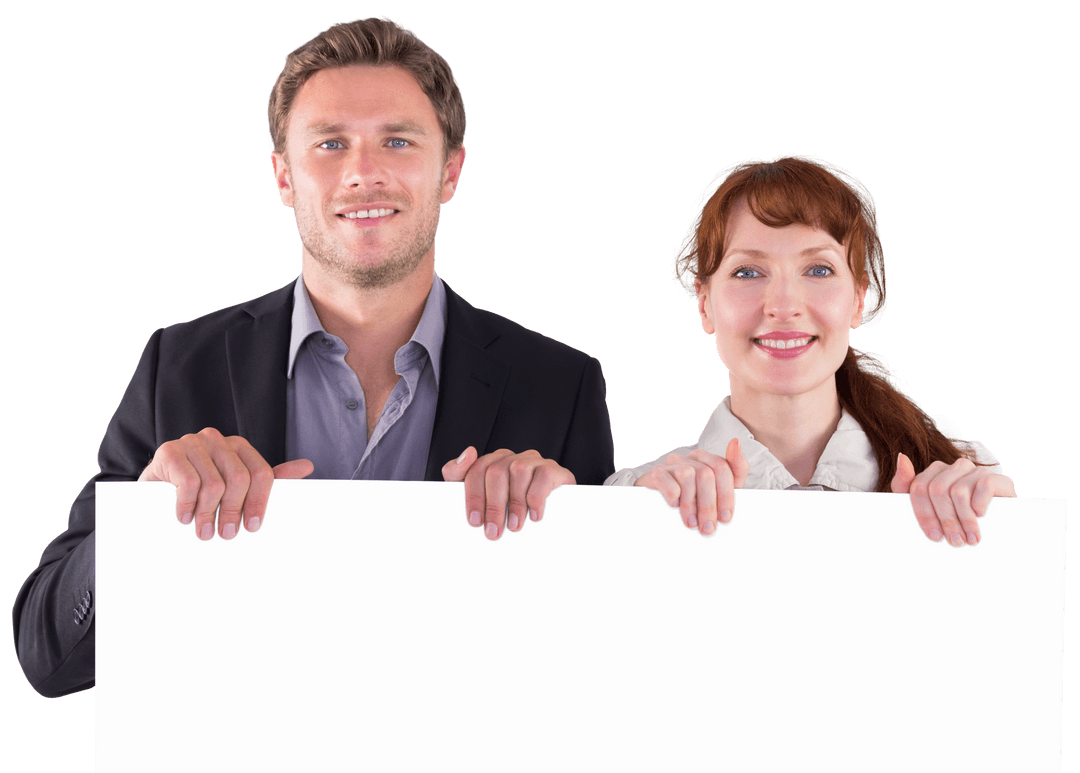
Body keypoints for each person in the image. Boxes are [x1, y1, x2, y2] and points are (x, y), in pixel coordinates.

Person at [13, 17, 614, 699]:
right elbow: (47, 656)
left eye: (398, 140)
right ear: (284, 177)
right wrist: (144, 524)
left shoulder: (560, 385)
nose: (364, 172)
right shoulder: (179, 365)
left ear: (450, 170)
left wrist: (578, 544)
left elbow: (612, 672)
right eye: (330, 144)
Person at [606, 153, 1015, 541]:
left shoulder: (962, 477)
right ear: (705, 305)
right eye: (747, 272)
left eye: (819, 269)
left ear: (858, 298)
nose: (783, 307)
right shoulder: (631, 497)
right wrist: (631, 519)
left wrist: (1008, 535)